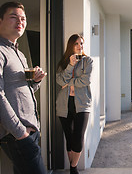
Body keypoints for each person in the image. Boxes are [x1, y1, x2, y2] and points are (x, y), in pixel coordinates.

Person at [0, 1, 47, 174]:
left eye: (23, 19)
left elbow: (22, 92)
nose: (20, 22)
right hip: (17, 134)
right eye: (13, 17)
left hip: (30, 131)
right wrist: (20, 133)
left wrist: (36, 81)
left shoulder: (19, 54)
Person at [56, 34, 93, 174]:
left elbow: (85, 81)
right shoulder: (63, 62)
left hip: (82, 104)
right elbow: (59, 81)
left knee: (78, 137)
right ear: (71, 45)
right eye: (76, 43)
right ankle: (73, 168)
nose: (79, 46)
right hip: (64, 104)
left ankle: (73, 167)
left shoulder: (87, 61)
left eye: (81, 43)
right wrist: (70, 65)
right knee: (69, 137)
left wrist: (68, 83)